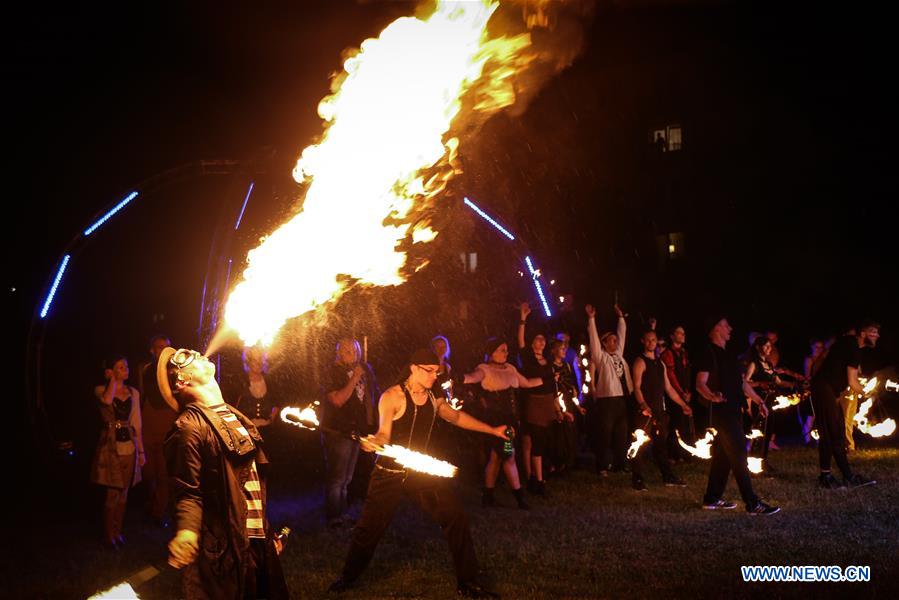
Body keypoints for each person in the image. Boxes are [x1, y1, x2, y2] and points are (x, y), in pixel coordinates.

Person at [328, 349, 507, 598]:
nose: (435, 375)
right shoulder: (392, 397)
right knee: (369, 529)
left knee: (455, 516)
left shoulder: (434, 396)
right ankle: (347, 577)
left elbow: (454, 417)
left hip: (421, 473)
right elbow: (383, 434)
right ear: (414, 368)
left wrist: (492, 430)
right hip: (389, 472)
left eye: (437, 371)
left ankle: (468, 582)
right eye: (430, 370)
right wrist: (373, 442)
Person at [158, 347, 288, 599]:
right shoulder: (188, 428)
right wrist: (186, 530)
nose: (195, 352)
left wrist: (264, 532)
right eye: (185, 356)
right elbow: (187, 491)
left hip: (255, 541)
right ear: (181, 381)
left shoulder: (232, 415)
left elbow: (247, 483)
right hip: (227, 552)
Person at [694, 316, 779, 515]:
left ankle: (712, 498)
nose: (730, 328)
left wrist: (758, 401)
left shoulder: (728, 354)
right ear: (715, 329)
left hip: (734, 411)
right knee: (740, 453)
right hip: (722, 413)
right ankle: (752, 504)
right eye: (724, 324)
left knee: (723, 456)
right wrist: (712, 396)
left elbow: (741, 383)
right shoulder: (708, 353)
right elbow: (700, 383)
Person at [463, 337, 544, 509]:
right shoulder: (484, 369)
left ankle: (487, 496)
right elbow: (472, 377)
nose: (506, 353)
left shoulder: (511, 369)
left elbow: (527, 383)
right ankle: (520, 498)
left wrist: (548, 379)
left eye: (506, 349)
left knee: (495, 457)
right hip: (498, 423)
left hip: (511, 421)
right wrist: (458, 378)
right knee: (509, 456)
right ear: (491, 352)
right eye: (502, 350)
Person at [810, 321, 879, 489]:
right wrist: (869, 393)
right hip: (824, 389)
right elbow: (853, 382)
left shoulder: (845, 343)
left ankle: (832, 476)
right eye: (873, 331)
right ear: (862, 333)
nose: (877, 335)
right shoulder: (853, 348)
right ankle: (842, 477)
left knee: (833, 433)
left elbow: (823, 359)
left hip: (825, 389)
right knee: (833, 434)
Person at [321, 337, 380, 528]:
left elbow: (369, 400)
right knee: (337, 478)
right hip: (338, 431)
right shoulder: (333, 372)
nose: (351, 353)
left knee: (347, 478)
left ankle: (342, 514)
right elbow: (337, 400)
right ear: (338, 353)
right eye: (346, 350)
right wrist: (354, 378)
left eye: (354, 350)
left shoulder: (363, 371)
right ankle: (333, 517)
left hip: (356, 431)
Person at [91, 355, 144, 548]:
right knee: (112, 491)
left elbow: (136, 422)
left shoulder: (133, 392)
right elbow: (107, 400)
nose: (126, 369)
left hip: (129, 445)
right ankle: (108, 535)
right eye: (120, 367)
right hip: (111, 446)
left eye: (126, 366)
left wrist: (141, 452)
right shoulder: (101, 390)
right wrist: (113, 379)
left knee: (124, 492)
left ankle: (118, 531)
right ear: (111, 371)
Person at [630, 330, 692, 491]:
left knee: (660, 446)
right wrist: (643, 405)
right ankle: (637, 479)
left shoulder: (660, 364)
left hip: (658, 412)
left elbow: (669, 388)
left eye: (654, 340)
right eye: (648, 340)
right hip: (644, 412)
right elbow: (636, 387)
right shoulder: (640, 362)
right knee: (640, 446)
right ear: (643, 341)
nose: (651, 342)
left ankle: (668, 476)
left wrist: (683, 405)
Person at [585, 303, 633, 475]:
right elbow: (594, 340)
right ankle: (602, 465)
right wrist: (591, 319)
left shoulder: (618, 355)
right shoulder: (600, 357)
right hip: (607, 400)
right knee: (604, 434)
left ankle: (621, 463)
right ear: (604, 343)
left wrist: (620, 318)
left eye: (615, 340)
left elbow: (623, 333)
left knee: (621, 433)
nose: (615, 341)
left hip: (621, 398)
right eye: (611, 340)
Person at [517, 303, 559, 496]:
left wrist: (557, 406)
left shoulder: (548, 361)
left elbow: (553, 385)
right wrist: (523, 319)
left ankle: (537, 476)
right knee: (534, 441)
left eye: (543, 340)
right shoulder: (528, 357)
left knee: (543, 441)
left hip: (547, 402)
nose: (541, 343)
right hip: (533, 403)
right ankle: (536, 479)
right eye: (537, 339)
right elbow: (521, 342)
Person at [137, 334, 175, 526]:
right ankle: (149, 505)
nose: (162, 351)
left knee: (164, 472)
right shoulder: (144, 369)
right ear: (152, 349)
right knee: (148, 472)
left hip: (167, 421)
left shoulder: (173, 371)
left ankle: (158, 513)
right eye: (159, 347)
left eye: (165, 347)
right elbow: (142, 394)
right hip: (149, 420)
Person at [660, 325, 693, 461]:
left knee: (684, 424)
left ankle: (685, 453)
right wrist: (680, 392)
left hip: (684, 393)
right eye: (679, 333)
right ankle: (673, 454)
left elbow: (687, 373)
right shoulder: (667, 354)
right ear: (672, 336)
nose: (682, 335)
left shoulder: (684, 352)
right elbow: (671, 374)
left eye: (683, 333)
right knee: (675, 424)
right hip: (674, 394)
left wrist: (688, 391)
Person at [232, 346, 278, 437]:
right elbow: (233, 408)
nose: (259, 363)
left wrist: (271, 419)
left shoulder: (270, 381)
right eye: (255, 360)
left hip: (268, 432)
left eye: (261, 359)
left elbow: (277, 403)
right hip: (246, 433)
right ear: (248, 362)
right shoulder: (241, 382)